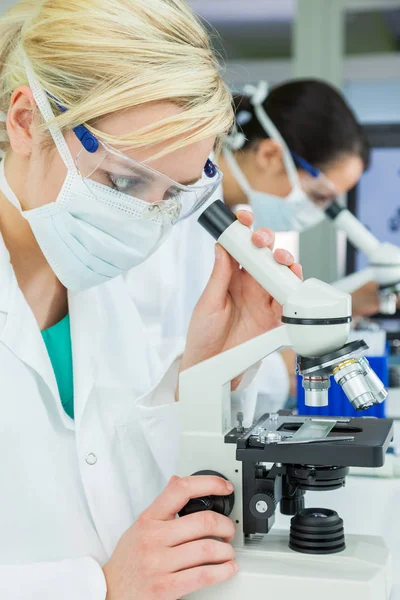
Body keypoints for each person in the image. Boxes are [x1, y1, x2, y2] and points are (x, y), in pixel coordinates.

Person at [0, 1, 304, 599]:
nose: (142, 220)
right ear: (28, 121)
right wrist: (94, 588)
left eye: (173, 195)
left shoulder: (99, 283)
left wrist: (205, 376)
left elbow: (123, 497)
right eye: (125, 182)